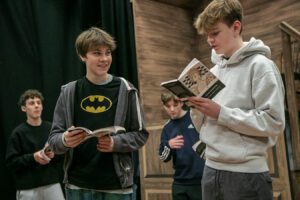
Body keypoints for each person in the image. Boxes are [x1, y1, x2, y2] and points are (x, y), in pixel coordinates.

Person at [185, 0, 286, 200]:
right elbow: (203, 127)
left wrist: (221, 112)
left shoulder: (260, 66)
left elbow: (274, 123)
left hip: (246, 175)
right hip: (210, 169)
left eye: (214, 33)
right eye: (207, 35)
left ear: (236, 27)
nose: (210, 40)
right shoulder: (211, 73)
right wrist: (196, 108)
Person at [47, 27, 149, 200]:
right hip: (77, 185)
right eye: (97, 53)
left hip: (117, 187)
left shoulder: (126, 88)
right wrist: (65, 140)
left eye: (107, 53)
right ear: (82, 56)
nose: (104, 59)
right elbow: (53, 140)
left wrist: (115, 143)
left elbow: (141, 134)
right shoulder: (69, 91)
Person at [5, 89, 65, 200]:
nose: (36, 106)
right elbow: (11, 163)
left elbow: (63, 154)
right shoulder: (18, 133)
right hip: (28, 188)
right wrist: (33, 157)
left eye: (39, 103)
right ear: (24, 108)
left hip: (52, 185)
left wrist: (54, 155)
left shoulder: (51, 128)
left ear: (42, 107)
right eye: (32, 103)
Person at [159, 92, 205, 200]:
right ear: (163, 106)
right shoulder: (167, 127)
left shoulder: (195, 117)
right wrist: (168, 145)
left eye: (175, 105)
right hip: (180, 183)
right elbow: (163, 157)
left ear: (181, 103)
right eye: (168, 106)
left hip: (201, 180)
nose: (171, 109)